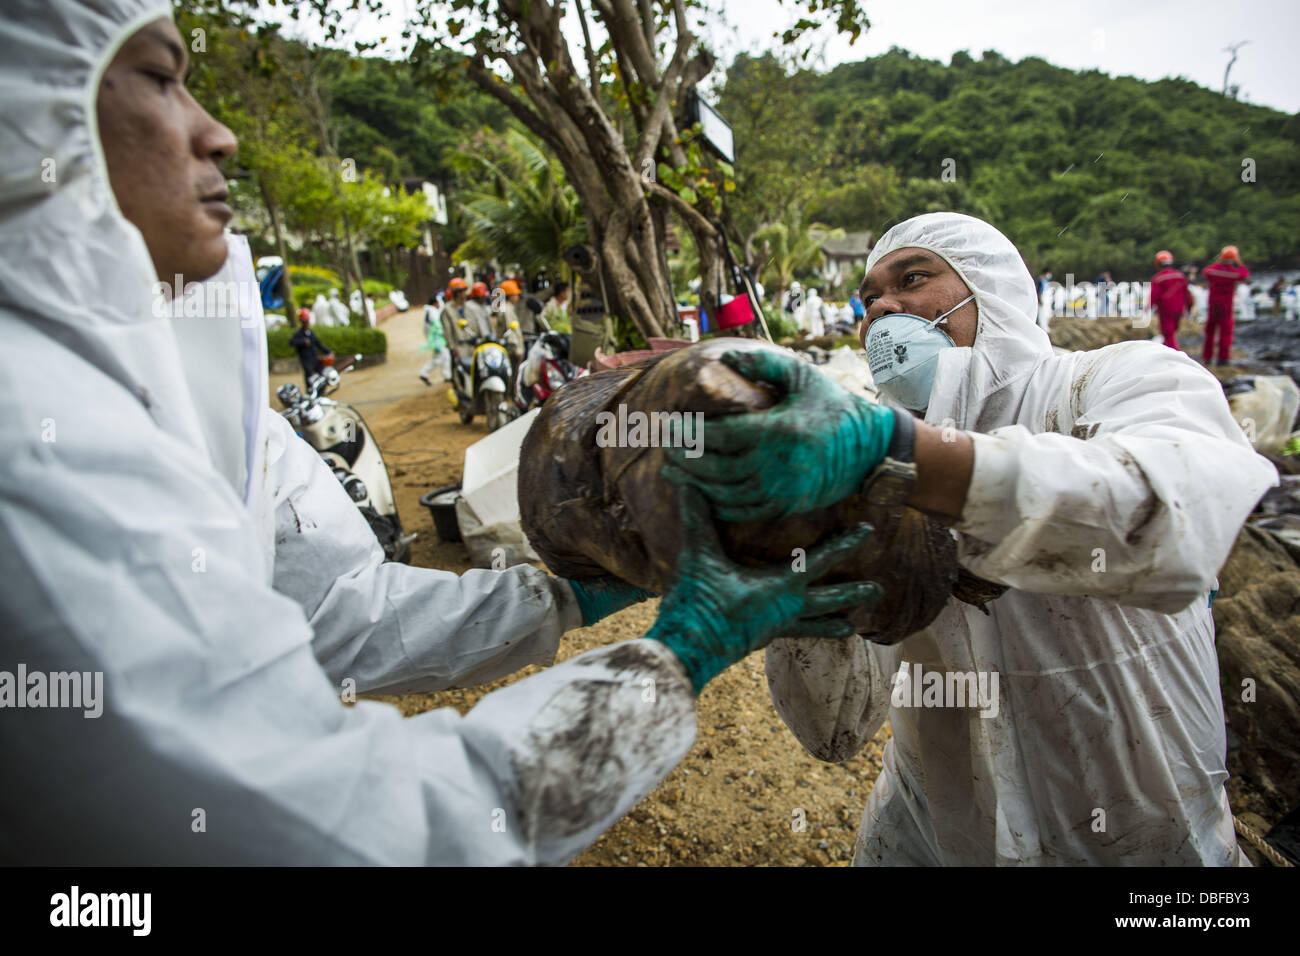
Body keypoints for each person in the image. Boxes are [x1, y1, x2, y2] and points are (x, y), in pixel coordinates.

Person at [0, 0, 886, 865]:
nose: (218, 132)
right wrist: (672, 664)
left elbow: (340, 610)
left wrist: (581, 593)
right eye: (161, 78)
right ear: (37, 121)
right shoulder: (36, 442)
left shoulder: (205, 390)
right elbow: (335, 826)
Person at [666, 212, 1278, 866]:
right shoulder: (860, 482)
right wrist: (802, 583)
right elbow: (837, 726)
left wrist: (910, 462)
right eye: (869, 298)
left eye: (913, 278)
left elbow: (1168, 522)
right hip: (930, 827)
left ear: (991, 290)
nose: (883, 310)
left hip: (1143, 833)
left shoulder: (1120, 379)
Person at [1202, 246, 1250, 365]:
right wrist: (1239, 263)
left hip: (1213, 304)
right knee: (1225, 332)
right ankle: (1223, 357)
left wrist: (1219, 262)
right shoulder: (1233, 274)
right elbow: (1245, 275)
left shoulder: (1213, 271)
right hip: (1226, 306)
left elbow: (1205, 271)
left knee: (1210, 332)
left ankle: (1207, 357)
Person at [1149, 249, 1193, 351]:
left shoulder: (1158, 278)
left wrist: (1147, 309)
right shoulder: (1180, 276)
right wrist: (1189, 307)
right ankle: (1165, 350)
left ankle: (1175, 355)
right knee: (1171, 333)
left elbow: (1153, 296)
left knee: (1168, 335)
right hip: (1179, 310)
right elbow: (1187, 294)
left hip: (1166, 311)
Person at [289, 309, 334, 388]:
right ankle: (310, 392)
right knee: (310, 377)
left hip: (315, 358)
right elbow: (292, 342)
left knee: (322, 375)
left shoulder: (311, 333)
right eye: (304, 322)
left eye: (307, 322)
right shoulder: (298, 334)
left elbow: (318, 344)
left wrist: (329, 351)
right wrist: (303, 341)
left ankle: (321, 392)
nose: (306, 324)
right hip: (306, 360)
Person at [418, 295, 448, 386]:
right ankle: (425, 373)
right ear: (435, 303)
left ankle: (446, 376)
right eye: (438, 303)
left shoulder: (429, 311)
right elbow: (437, 325)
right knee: (443, 356)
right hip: (437, 340)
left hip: (435, 340)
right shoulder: (433, 311)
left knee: (441, 357)